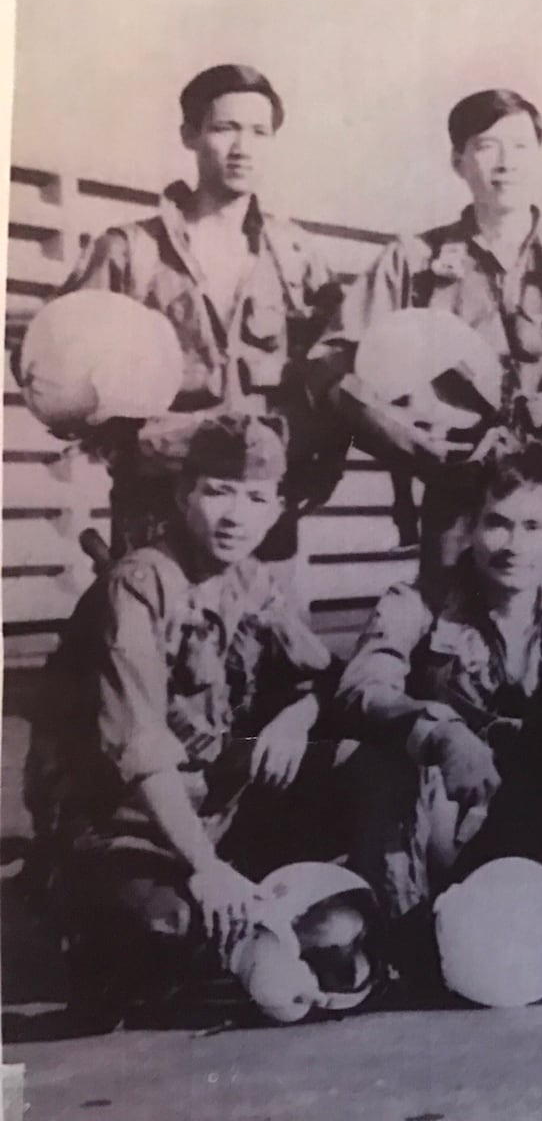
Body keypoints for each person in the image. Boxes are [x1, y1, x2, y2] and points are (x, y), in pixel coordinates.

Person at [22, 415, 416, 1025]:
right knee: (169, 925)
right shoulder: (138, 587)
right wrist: (207, 868)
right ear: (184, 495)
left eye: (255, 497)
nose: (236, 515)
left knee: (371, 768)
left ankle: (375, 926)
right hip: (124, 824)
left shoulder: (252, 581)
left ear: (276, 507)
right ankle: (70, 903)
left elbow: (324, 679)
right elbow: (142, 752)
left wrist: (294, 715)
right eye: (217, 491)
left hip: (219, 805)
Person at [311, 88, 542, 587]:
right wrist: (406, 442)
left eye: (521, 147)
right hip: (460, 502)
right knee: (451, 643)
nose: (506, 164)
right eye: (487, 146)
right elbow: (331, 361)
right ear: (458, 160)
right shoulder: (413, 262)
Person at [42, 64, 343, 560]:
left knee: (258, 635)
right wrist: (129, 444)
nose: (243, 147)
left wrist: (317, 467)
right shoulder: (130, 251)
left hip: (260, 506)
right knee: (149, 629)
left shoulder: (297, 257)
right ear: (190, 135)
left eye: (259, 132)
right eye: (225, 128)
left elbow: (335, 374)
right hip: (157, 502)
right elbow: (52, 366)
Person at [334, 444, 542, 903]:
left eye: (533, 527)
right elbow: (364, 686)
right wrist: (438, 730)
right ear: (472, 529)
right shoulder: (421, 603)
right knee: (379, 764)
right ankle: (403, 933)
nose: (514, 546)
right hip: (449, 817)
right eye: (497, 523)